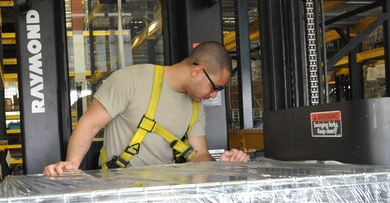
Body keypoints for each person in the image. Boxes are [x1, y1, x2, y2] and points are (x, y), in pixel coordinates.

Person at [44, 41, 250, 176]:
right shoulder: (131, 80)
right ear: (197, 71)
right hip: (121, 195)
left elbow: (199, 156)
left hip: (166, 200)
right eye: (215, 87)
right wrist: (71, 166)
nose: (214, 95)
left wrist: (221, 165)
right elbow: (89, 125)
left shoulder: (196, 108)